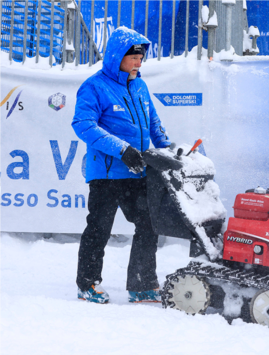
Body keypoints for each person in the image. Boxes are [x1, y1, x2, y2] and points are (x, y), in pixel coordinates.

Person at [72, 27, 171, 304]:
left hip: (136, 172)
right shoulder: (95, 86)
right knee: (99, 227)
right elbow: (83, 125)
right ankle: (87, 284)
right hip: (106, 173)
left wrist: (167, 148)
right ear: (118, 56)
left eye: (141, 56)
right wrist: (122, 149)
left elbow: (152, 122)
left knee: (149, 223)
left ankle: (141, 285)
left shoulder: (140, 85)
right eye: (134, 56)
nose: (139, 62)